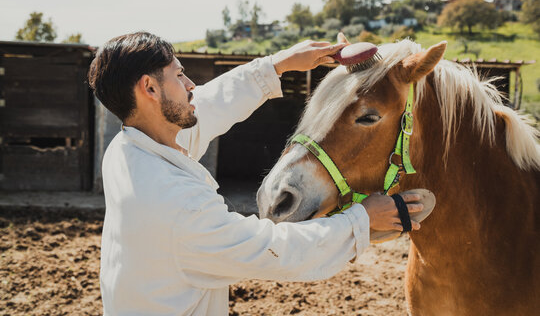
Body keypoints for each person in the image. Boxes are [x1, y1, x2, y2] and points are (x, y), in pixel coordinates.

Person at [88, 31, 425, 316]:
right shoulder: (175, 205)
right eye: (179, 76)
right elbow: (271, 250)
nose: (191, 85)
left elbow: (210, 103)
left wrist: (279, 64)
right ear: (149, 88)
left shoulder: (126, 150)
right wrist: (362, 220)